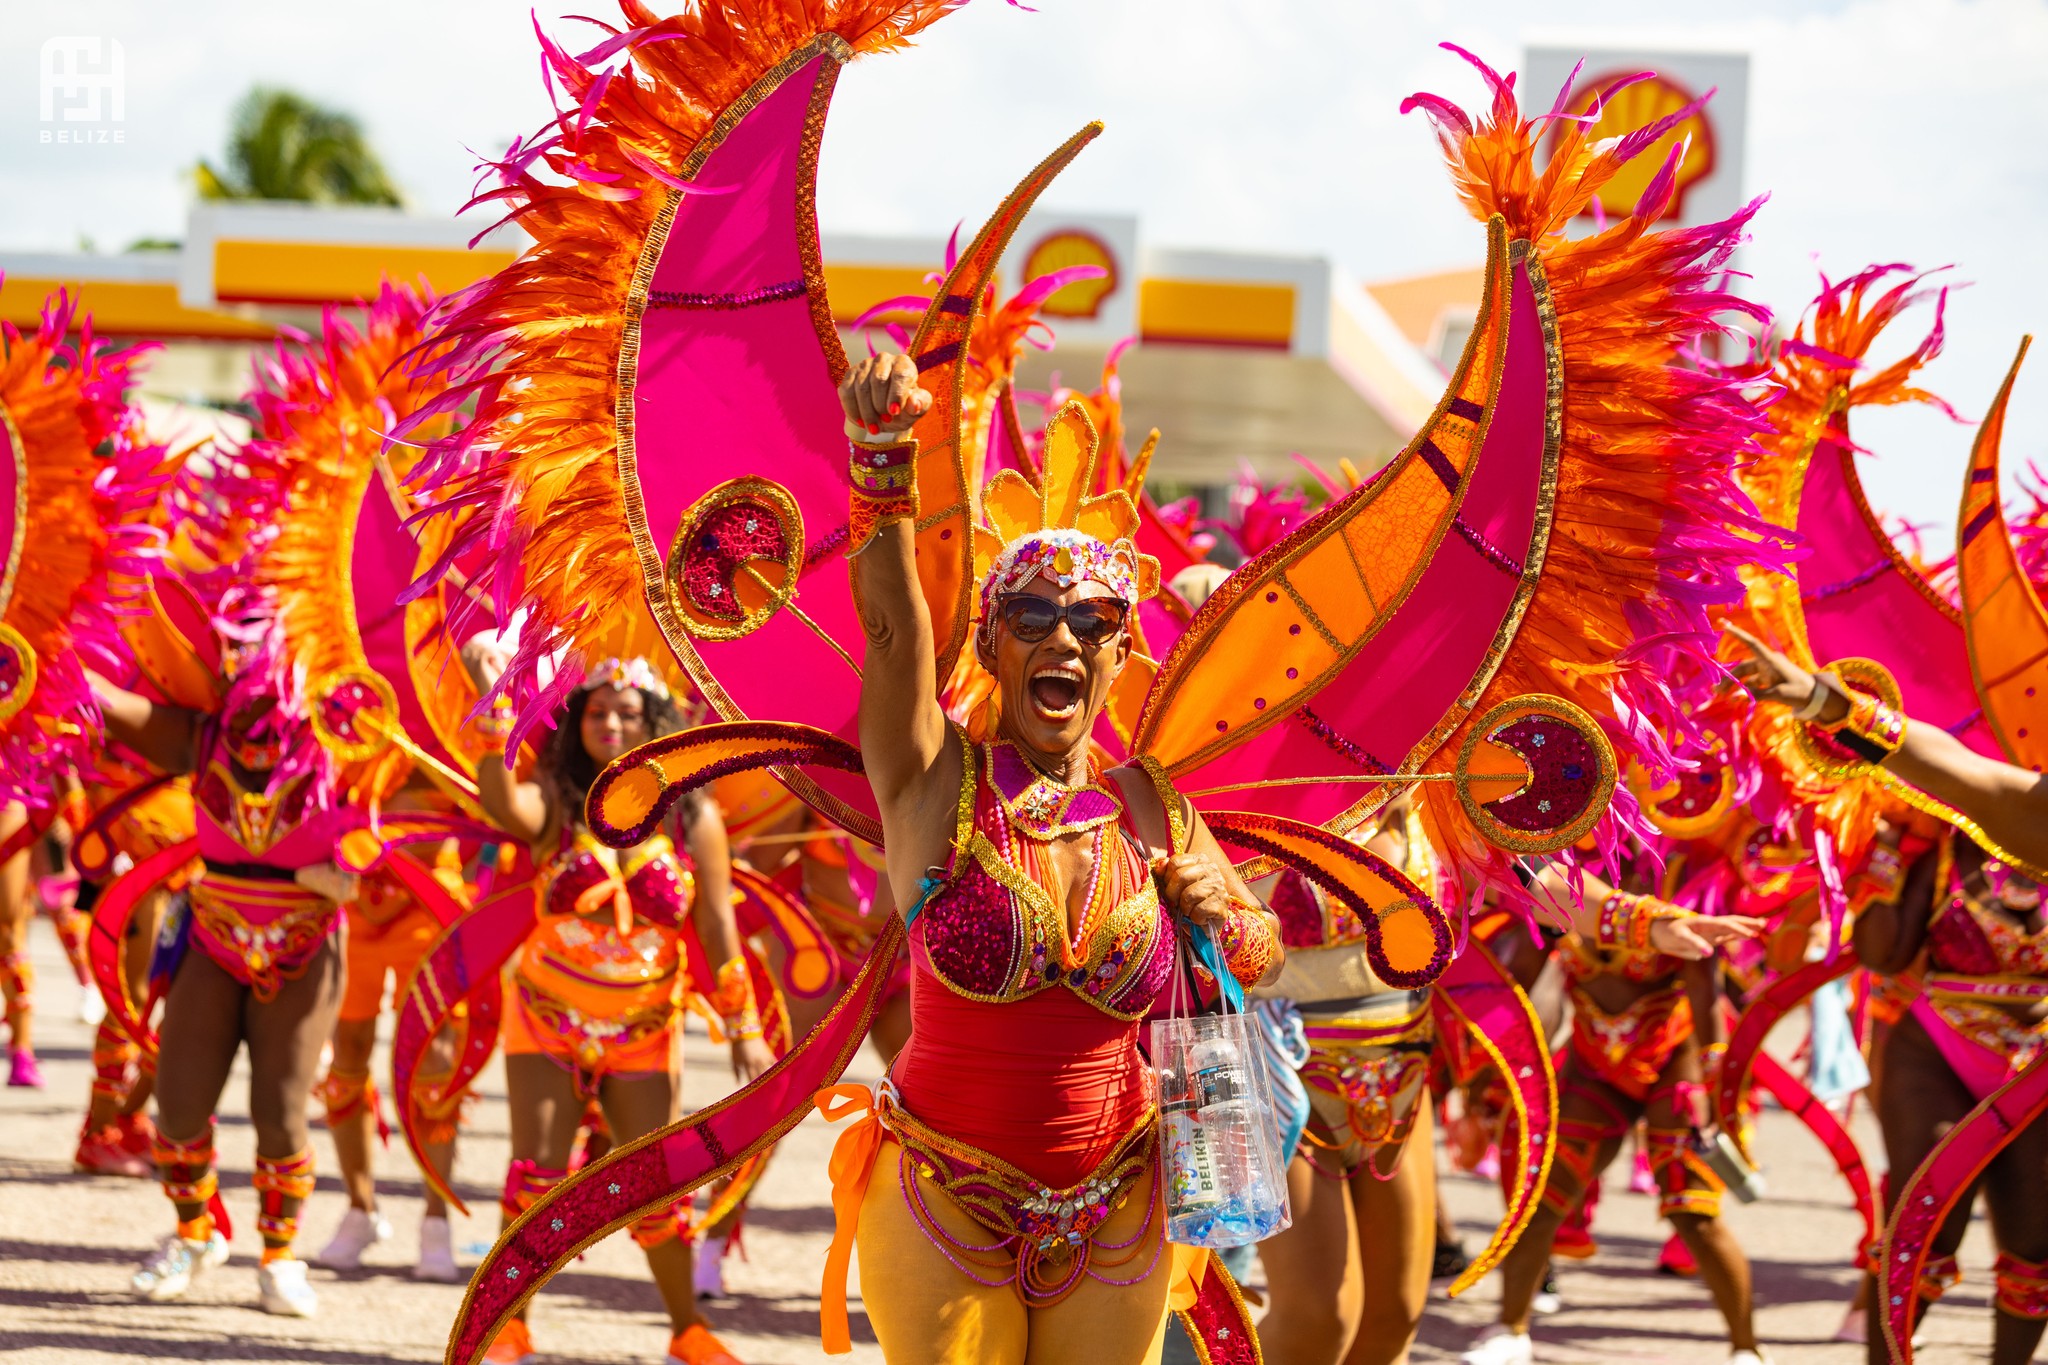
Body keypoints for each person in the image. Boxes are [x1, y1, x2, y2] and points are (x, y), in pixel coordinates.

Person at [825, 350, 1285, 1364]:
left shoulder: (1151, 806)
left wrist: (1226, 914)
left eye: (1092, 622)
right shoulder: (934, 781)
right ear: (990, 648)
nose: (1063, 640)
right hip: (944, 1198)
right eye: (1031, 619)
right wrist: (880, 462)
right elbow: (894, 633)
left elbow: (1259, 957)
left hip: (1117, 1204)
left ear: (1122, 656)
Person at [462, 651, 774, 1365]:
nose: (610, 723)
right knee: (535, 1176)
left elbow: (718, 924)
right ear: (578, 725)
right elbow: (502, 807)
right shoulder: (558, 798)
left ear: (653, 723)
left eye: (626, 713)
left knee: (655, 1185)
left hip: (645, 1027)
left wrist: (744, 1026)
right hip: (545, 1018)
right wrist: (493, 711)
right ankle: (509, 1324)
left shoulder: (693, 812)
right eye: (597, 712)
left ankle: (687, 1331)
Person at [90, 657, 361, 1318]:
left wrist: (358, 859)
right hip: (211, 932)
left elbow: (407, 808)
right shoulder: (200, 735)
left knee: (279, 1107)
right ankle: (194, 1233)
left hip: (305, 945)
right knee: (178, 1104)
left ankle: (279, 1255)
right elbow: (100, 699)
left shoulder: (345, 737)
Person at [1461, 858, 1767, 1365]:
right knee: (1540, 1203)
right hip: (1596, 1069)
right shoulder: (1558, 891)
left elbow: (1707, 1003)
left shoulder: (1675, 897)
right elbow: (1514, 987)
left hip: (1675, 1067)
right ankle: (1510, 1329)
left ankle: (1747, 1348)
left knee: (1694, 1215)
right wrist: (1487, 1063)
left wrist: (1716, 1087)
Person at [312, 819, 469, 1281]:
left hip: (428, 899)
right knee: (347, 1052)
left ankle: (436, 1223)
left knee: (434, 1059)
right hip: (350, 894)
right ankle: (360, 1211)